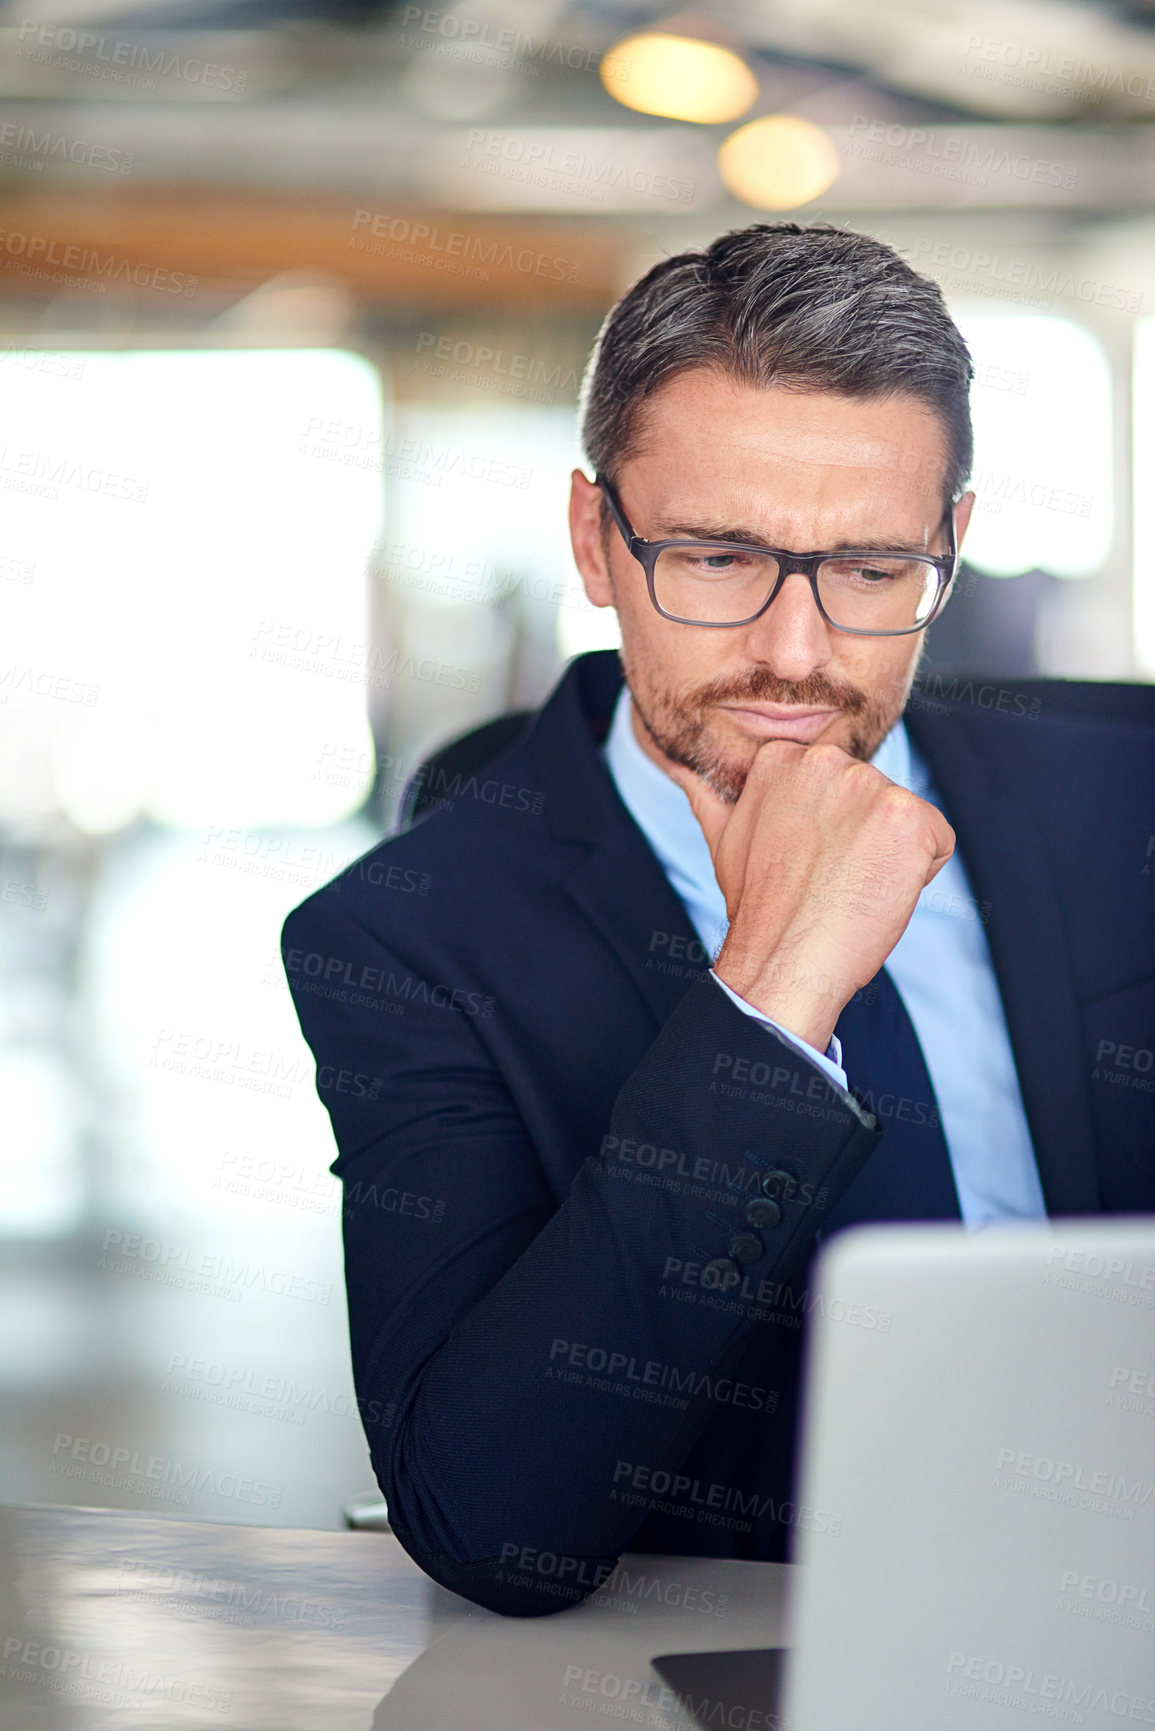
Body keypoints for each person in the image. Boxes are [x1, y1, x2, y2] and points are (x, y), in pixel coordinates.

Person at [282, 221, 1154, 1617]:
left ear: (955, 544)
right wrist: (769, 1000)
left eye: (872, 571)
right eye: (715, 558)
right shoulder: (408, 939)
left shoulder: (1132, 794)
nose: (797, 654)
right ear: (594, 539)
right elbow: (496, 1521)